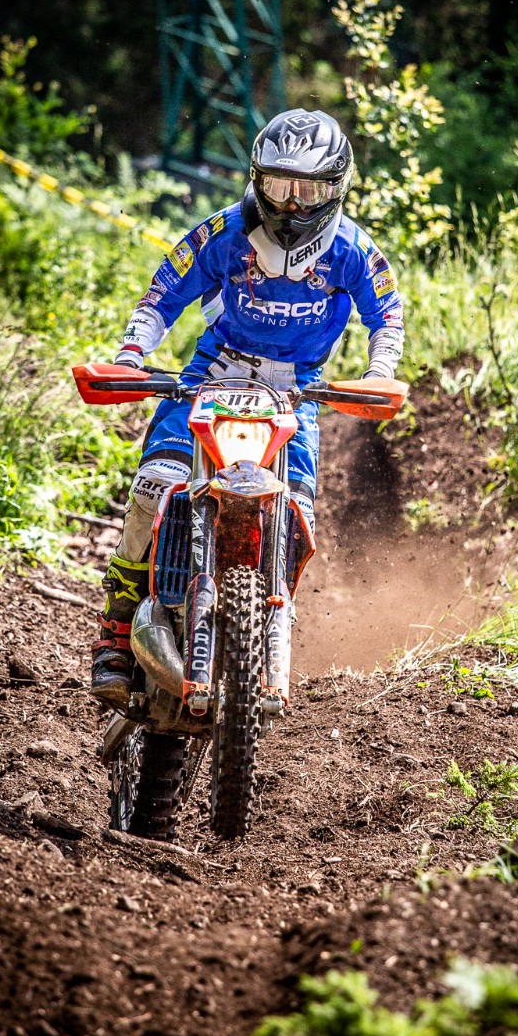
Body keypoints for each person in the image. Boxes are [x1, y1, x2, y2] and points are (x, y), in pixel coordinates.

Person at [92, 108, 405, 702]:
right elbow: (162, 295)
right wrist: (131, 356)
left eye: (307, 190)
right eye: (279, 186)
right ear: (257, 179)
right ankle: (117, 625)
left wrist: (379, 372)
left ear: (335, 188)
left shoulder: (353, 250)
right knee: (154, 486)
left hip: (295, 390)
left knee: (298, 515)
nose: (290, 204)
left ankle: (270, 621)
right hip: (213, 375)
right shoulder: (222, 232)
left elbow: (386, 315)